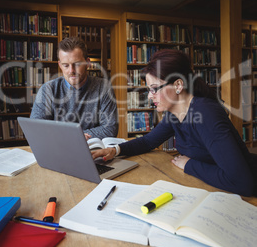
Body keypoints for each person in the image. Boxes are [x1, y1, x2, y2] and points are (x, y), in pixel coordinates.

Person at [92, 48, 257, 196]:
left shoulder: (205, 114)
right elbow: (148, 141)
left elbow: (242, 183)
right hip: (214, 189)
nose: (150, 96)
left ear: (178, 85)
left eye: (154, 89)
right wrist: (115, 150)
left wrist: (189, 165)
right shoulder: (175, 114)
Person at [30, 37, 118, 140]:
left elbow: (110, 129)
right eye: (66, 65)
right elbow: (36, 130)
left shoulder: (104, 87)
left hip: (93, 151)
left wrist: (72, 136)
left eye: (77, 64)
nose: (71, 71)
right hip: (58, 150)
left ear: (88, 63)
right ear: (60, 65)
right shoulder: (47, 90)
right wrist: (75, 136)